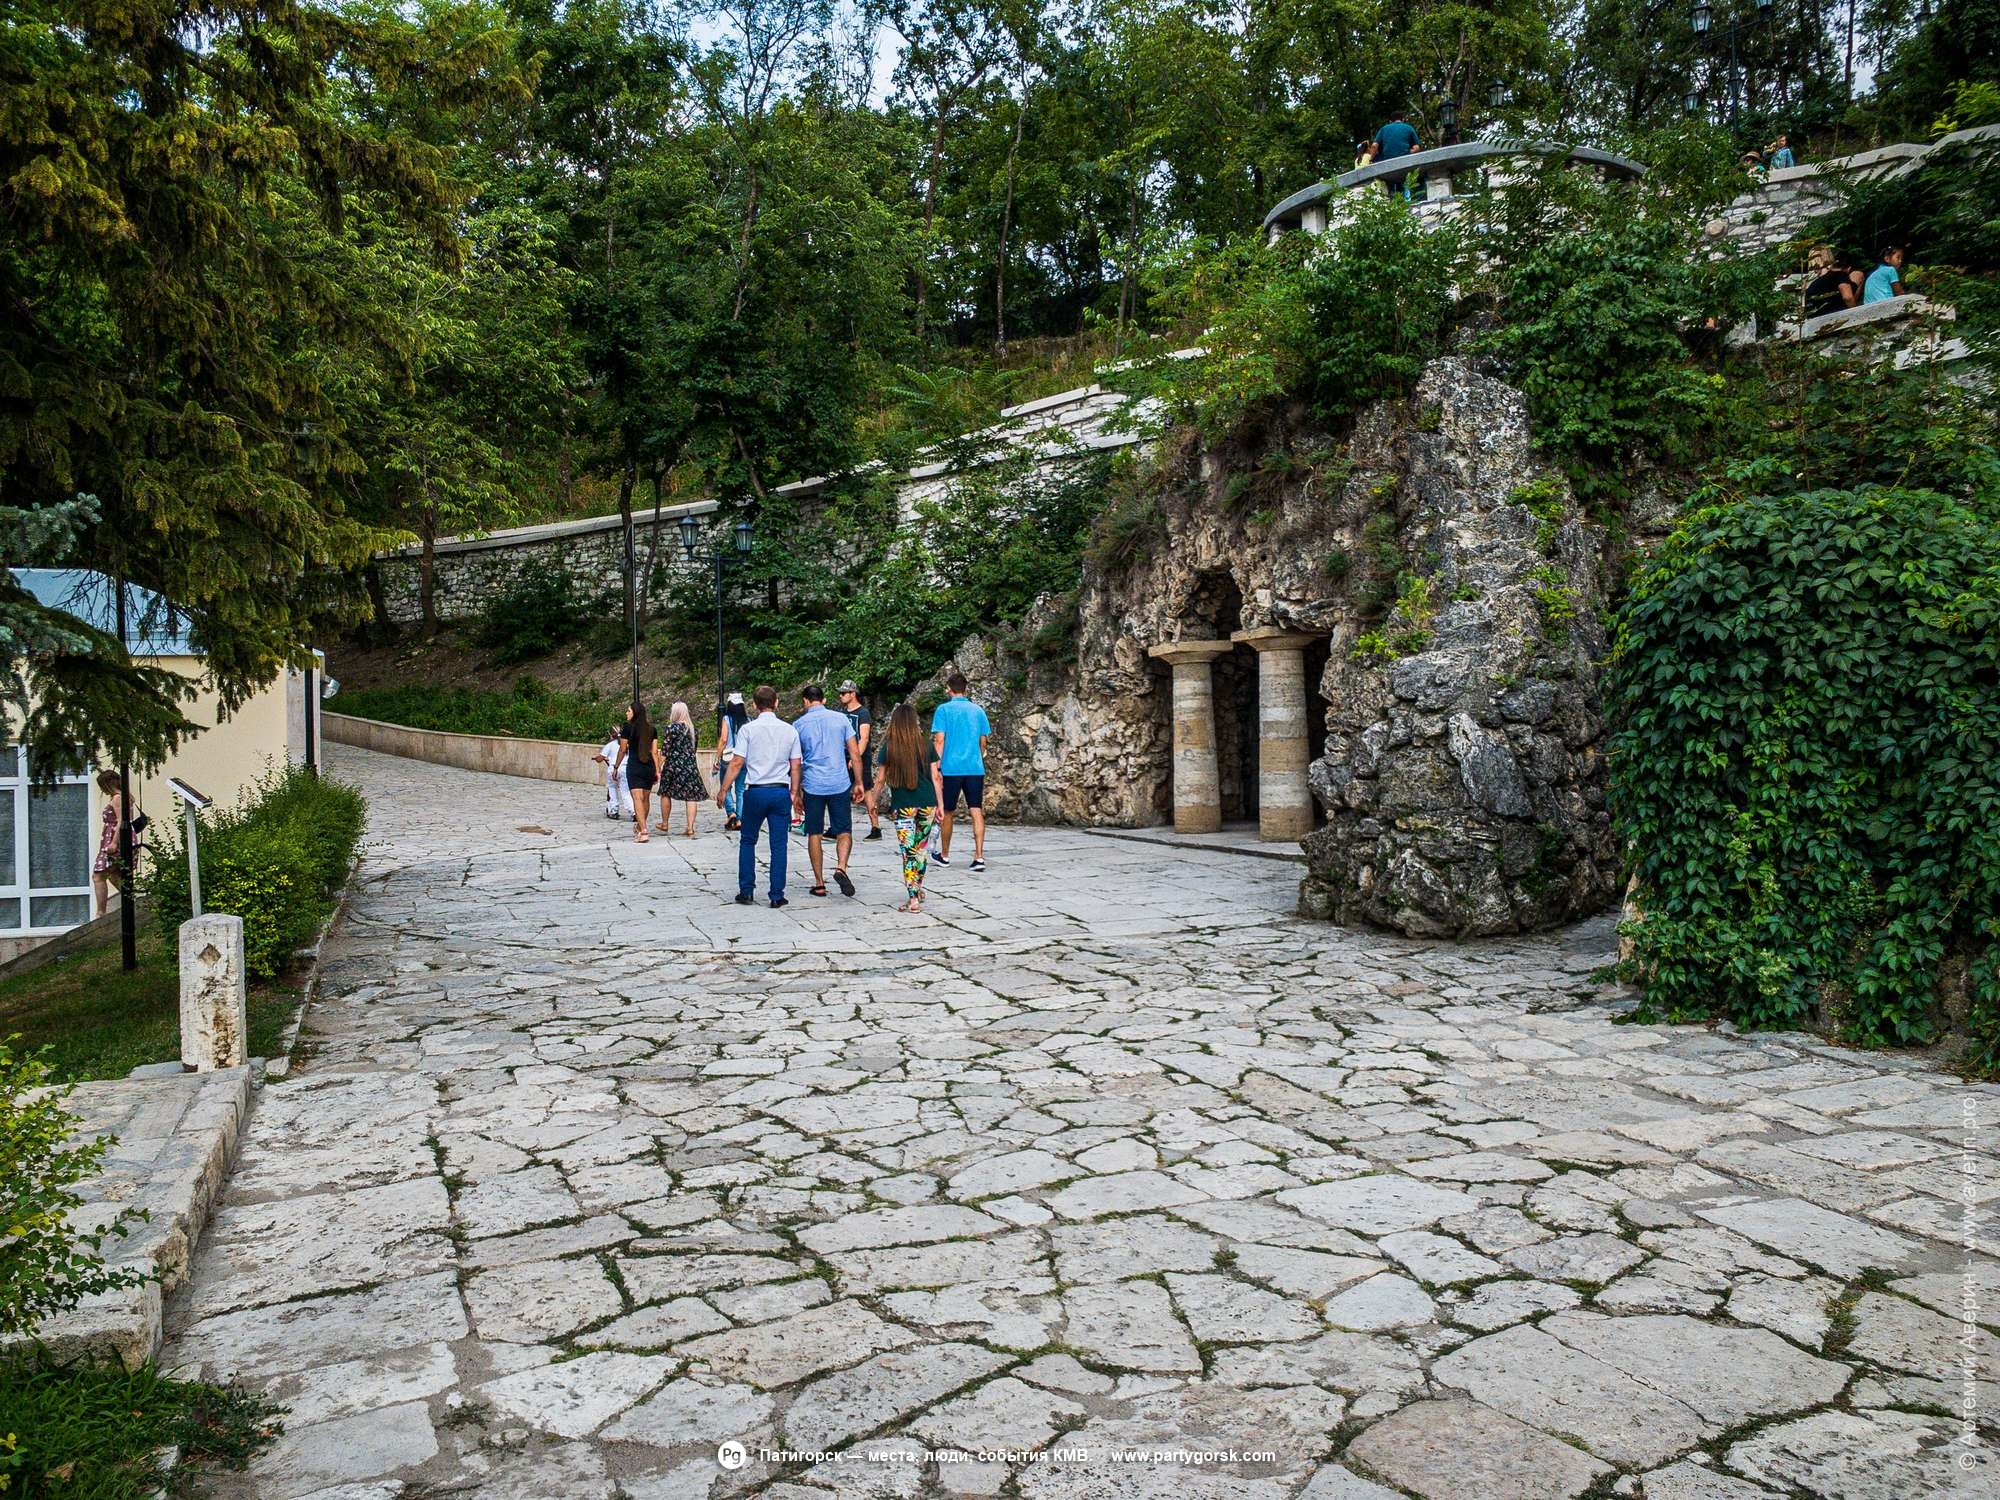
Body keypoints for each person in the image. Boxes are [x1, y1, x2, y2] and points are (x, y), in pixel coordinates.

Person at [715, 684, 802, 907]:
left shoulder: (748, 730)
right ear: (777, 702)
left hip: (756, 791)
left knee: (748, 840)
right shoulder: (789, 730)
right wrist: (794, 791)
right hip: (780, 789)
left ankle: (746, 891)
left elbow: (736, 762)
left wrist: (724, 789)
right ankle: (776, 895)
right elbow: (795, 765)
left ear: (754, 705)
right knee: (779, 844)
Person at [793, 684, 863, 897]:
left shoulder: (798, 725)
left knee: (814, 832)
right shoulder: (842, 719)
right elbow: (854, 753)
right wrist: (859, 782)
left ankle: (819, 883)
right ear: (823, 700)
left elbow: (796, 762)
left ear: (806, 701)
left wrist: (795, 792)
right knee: (843, 830)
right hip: (839, 782)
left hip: (813, 784)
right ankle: (841, 867)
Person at [877, 703, 946, 914]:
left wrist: (872, 800)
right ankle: (918, 888)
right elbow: (936, 776)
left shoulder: (889, 747)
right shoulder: (926, 745)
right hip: (927, 803)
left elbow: (880, 779)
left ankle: (913, 898)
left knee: (908, 852)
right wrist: (941, 804)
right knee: (921, 850)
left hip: (904, 806)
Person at [930, 671, 992, 871]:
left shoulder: (943, 710)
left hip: (950, 768)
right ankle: (979, 857)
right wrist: (977, 756)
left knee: (948, 811)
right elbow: (983, 741)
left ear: (949, 689)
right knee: (976, 810)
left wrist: (937, 766)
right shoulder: (978, 711)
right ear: (966, 689)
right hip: (974, 768)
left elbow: (940, 740)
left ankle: (945, 855)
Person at [838, 679, 881, 841]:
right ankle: (838, 826)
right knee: (841, 791)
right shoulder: (842, 713)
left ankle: (875, 826)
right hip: (844, 755)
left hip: (859, 757)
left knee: (867, 790)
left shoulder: (863, 713)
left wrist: (856, 756)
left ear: (853, 694)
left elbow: (864, 738)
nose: (841, 696)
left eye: (844, 693)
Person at [658, 701, 708, 837]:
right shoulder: (693, 729)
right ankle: (690, 828)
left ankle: (665, 823)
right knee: (691, 797)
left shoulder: (671, 728)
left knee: (665, 793)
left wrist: (657, 767)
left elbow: (665, 750)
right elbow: (693, 749)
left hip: (673, 767)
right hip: (690, 767)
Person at [614, 701, 660, 843]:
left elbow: (622, 749)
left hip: (634, 765)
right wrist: (658, 770)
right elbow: (654, 752)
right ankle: (641, 827)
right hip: (649, 767)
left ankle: (644, 830)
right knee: (645, 799)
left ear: (635, 712)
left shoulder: (628, 728)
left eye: (628, 711)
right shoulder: (652, 729)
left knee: (637, 799)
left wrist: (616, 766)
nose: (626, 713)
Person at [92, 770, 126, 917]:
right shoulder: (121, 796)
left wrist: (113, 842)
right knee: (114, 875)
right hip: (112, 839)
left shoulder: (118, 798)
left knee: (98, 876)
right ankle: (132, 900)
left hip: (114, 840)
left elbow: (120, 820)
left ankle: (101, 912)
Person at [714, 692, 748, 830]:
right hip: (743, 758)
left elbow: (723, 739)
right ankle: (740, 819)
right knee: (740, 790)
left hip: (728, 758)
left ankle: (731, 813)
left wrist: (717, 756)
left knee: (725, 786)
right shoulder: (749, 720)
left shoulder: (726, 719)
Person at [1802, 248, 1863, 319]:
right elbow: (1848, 297)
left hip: (1813, 321)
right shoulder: (1840, 275)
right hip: (1830, 320)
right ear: (1848, 268)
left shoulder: (1818, 282)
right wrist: (1857, 315)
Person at [1372, 117, 1421, 197]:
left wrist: (1371, 159)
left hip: (1387, 165)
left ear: (1390, 121)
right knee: (1412, 182)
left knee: (1390, 187)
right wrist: (1408, 153)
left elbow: (1374, 146)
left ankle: (1391, 200)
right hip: (1405, 162)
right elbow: (1416, 148)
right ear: (1403, 119)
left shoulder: (1384, 129)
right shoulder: (1408, 128)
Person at [594, 725, 632, 822]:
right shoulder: (627, 744)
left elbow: (600, 758)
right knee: (626, 792)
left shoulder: (610, 745)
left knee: (612, 789)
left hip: (614, 768)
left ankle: (613, 810)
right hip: (625, 769)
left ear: (611, 735)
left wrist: (596, 757)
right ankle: (633, 812)